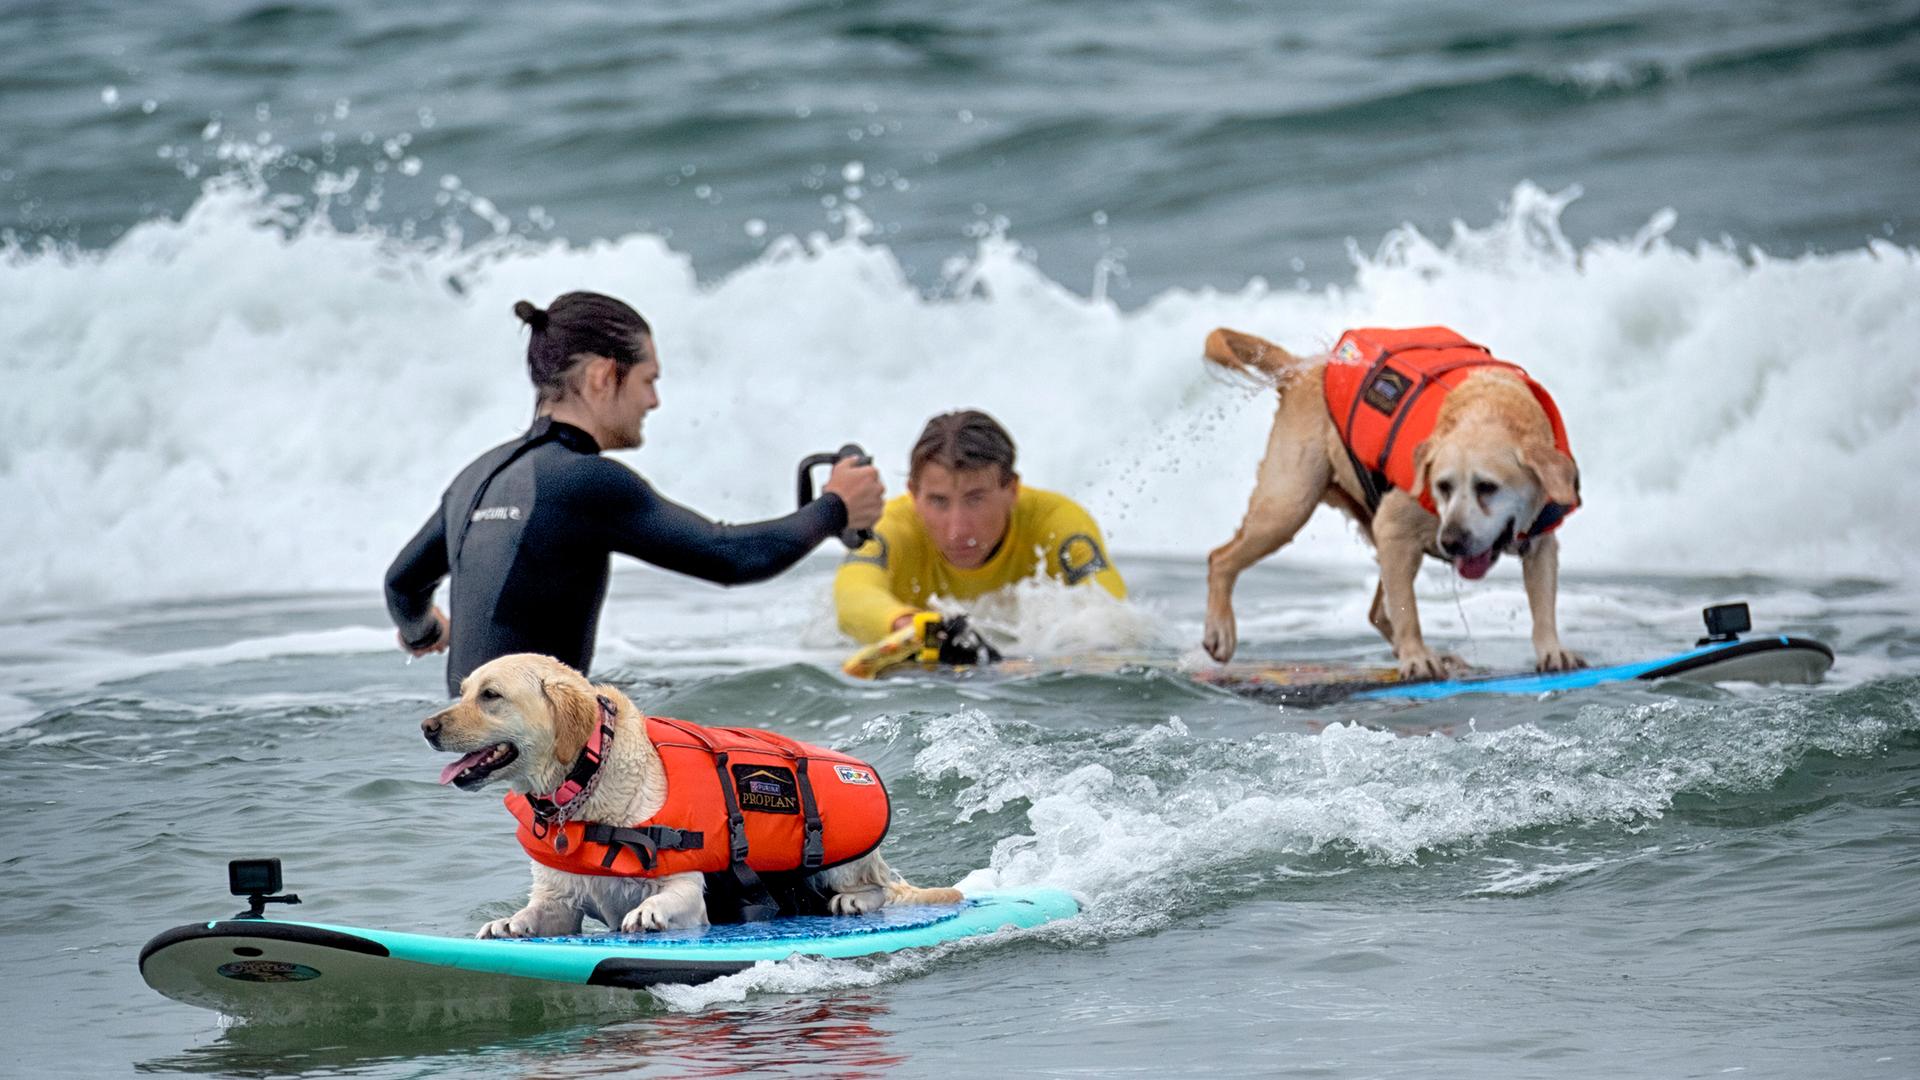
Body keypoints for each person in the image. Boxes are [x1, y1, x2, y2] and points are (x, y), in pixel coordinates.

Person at [386, 291, 885, 695]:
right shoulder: (585, 480)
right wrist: (835, 506)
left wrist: (426, 633)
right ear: (605, 376)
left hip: (471, 745)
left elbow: (402, 586)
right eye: (648, 380)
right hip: (536, 755)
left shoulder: (477, 475)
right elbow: (731, 556)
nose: (654, 400)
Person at [833, 409, 1125, 645]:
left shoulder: (1055, 521)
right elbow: (852, 597)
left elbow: (1108, 610)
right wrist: (915, 628)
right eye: (938, 501)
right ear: (913, 494)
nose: (957, 531)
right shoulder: (891, 525)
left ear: (1012, 490)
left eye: (975, 500)